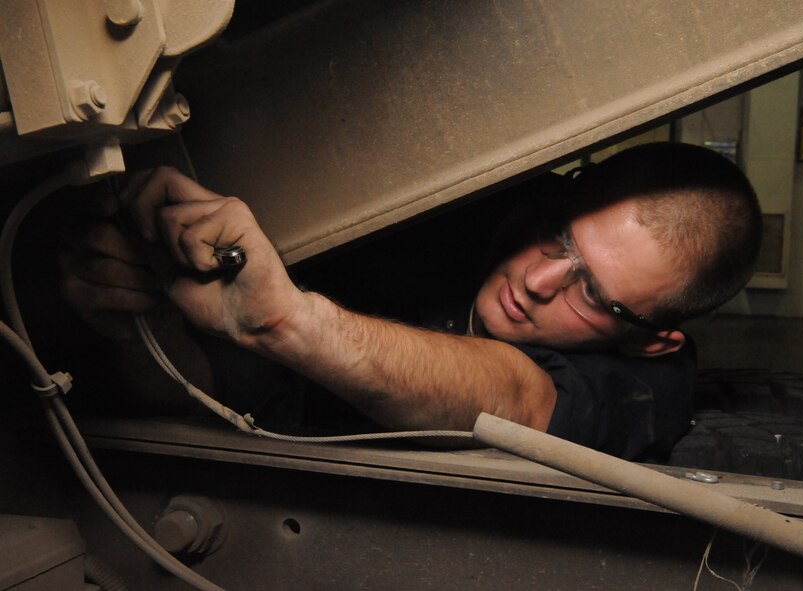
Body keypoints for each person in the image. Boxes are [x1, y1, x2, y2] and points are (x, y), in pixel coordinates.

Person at [59, 142, 762, 460]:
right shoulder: (457, 197)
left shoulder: (648, 386)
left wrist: (290, 321)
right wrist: (140, 324)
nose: (537, 281)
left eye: (594, 296)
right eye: (560, 238)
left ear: (649, 338)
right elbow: (223, 382)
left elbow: (516, 398)